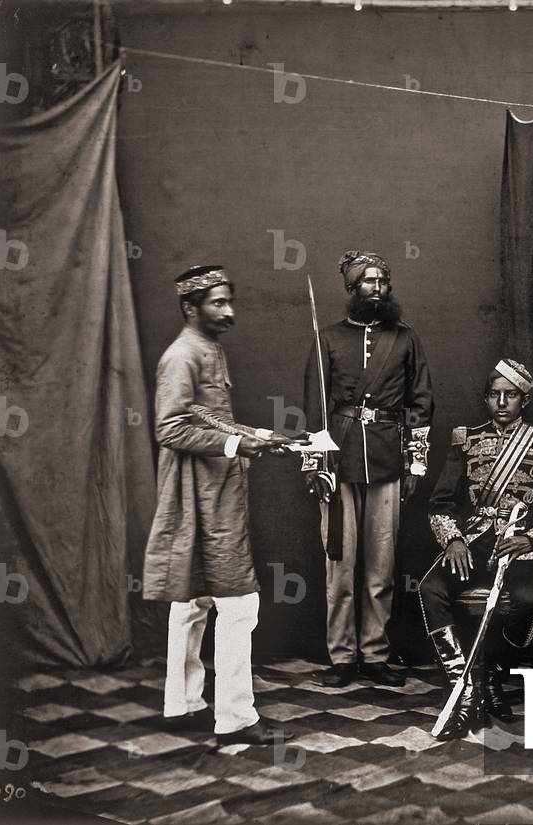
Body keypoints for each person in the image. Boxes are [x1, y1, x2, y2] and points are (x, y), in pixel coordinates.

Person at [142, 265, 293, 745]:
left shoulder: (209, 349)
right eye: (217, 303)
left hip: (215, 492)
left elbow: (207, 417)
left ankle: (182, 705)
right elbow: (169, 428)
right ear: (191, 308)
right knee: (238, 604)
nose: (229, 311)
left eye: (230, 301)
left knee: (192, 601)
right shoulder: (181, 356)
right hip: (197, 496)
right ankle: (236, 718)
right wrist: (235, 447)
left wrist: (265, 436)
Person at [419, 359, 533, 739]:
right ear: (486, 398)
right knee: (430, 588)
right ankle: (470, 688)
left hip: (520, 546)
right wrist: (454, 539)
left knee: (522, 602)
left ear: (524, 401)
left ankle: (488, 671)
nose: (502, 402)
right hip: (475, 542)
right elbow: (440, 503)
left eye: (511, 395)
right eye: (495, 395)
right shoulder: (466, 440)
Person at [302, 250, 434, 688]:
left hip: (387, 463)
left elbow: (421, 403)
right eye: (368, 282)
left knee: (381, 566)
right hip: (338, 463)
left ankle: (375, 654)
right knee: (339, 567)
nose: (378, 289)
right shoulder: (329, 338)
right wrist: (315, 465)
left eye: (382, 281)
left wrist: (415, 462)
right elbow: (314, 410)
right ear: (352, 288)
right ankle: (341, 657)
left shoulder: (406, 338)